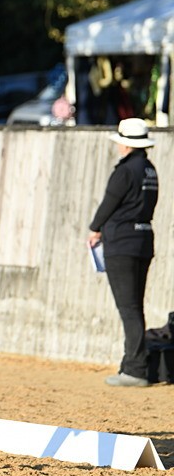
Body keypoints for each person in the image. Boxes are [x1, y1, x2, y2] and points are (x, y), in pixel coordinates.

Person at [88, 118, 159, 387]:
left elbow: (110, 203)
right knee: (135, 306)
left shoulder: (125, 171)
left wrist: (95, 228)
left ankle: (135, 369)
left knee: (128, 308)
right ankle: (131, 363)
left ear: (126, 145)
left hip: (122, 242)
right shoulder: (149, 169)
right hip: (143, 239)